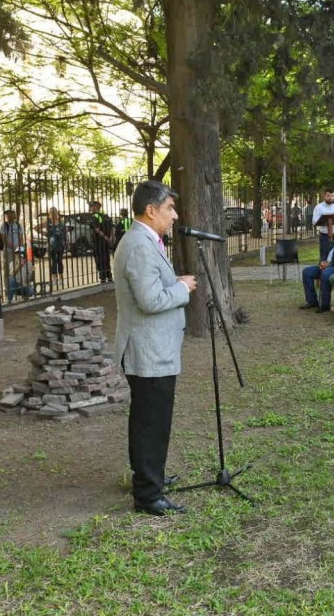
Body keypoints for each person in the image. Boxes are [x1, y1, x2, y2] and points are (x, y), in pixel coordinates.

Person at [113, 180, 197, 516]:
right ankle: (148, 493)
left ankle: (151, 476)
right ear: (151, 210)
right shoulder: (138, 245)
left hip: (154, 347)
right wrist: (182, 287)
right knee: (151, 421)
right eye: (169, 209)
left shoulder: (147, 241)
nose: (174, 216)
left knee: (150, 418)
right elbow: (150, 300)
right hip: (147, 351)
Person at [312, 189, 334, 260]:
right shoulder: (319, 207)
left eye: (332, 196)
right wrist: (326, 220)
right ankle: (322, 269)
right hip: (324, 236)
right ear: (324, 196)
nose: (330, 198)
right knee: (324, 256)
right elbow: (314, 221)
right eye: (328, 196)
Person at [39, 207, 68, 289]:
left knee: (60, 261)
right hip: (51, 245)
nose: (53, 214)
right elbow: (36, 228)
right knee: (53, 262)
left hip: (60, 245)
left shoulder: (61, 222)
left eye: (54, 212)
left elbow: (64, 233)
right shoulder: (47, 223)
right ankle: (54, 279)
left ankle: (61, 278)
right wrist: (45, 234)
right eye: (51, 213)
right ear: (49, 214)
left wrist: (65, 242)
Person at [90, 200, 115, 283]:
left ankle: (103, 277)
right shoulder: (106, 216)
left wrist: (105, 237)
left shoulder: (95, 217)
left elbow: (97, 229)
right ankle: (109, 276)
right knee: (106, 258)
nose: (91, 208)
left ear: (96, 207)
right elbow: (111, 227)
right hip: (106, 242)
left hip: (98, 241)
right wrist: (110, 237)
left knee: (99, 259)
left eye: (92, 206)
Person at [0, 209, 24, 280]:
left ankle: (16, 287)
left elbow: (21, 238)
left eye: (9, 213)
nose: (8, 216)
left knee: (17, 269)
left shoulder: (18, 225)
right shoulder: (4, 226)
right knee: (8, 270)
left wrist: (20, 249)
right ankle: (8, 288)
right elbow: (3, 238)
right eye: (7, 214)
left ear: (14, 214)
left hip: (17, 251)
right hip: (8, 252)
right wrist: (11, 246)